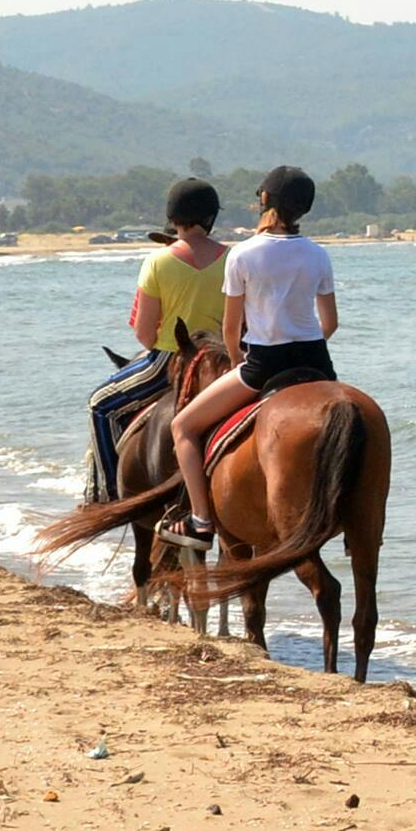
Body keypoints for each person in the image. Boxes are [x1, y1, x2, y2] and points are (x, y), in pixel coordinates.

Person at [164, 166, 339, 555]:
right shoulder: (318, 254)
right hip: (318, 363)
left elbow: (230, 330)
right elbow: (331, 323)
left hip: (263, 366)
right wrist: (304, 342)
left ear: (265, 201)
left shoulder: (242, 254)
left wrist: (241, 355)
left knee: (183, 428)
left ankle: (201, 522)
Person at [81, 177, 228, 501]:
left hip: (169, 360)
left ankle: (104, 495)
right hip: (225, 364)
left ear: (172, 218)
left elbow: (144, 333)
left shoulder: (157, 261)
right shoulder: (234, 258)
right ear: (211, 218)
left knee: (100, 405)